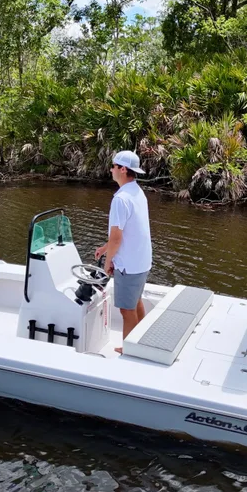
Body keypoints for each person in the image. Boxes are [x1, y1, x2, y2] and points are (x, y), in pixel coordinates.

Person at [95, 150, 152, 354]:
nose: (111, 169)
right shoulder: (137, 191)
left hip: (128, 264)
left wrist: (107, 262)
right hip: (142, 261)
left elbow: (117, 238)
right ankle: (140, 343)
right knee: (136, 302)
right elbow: (129, 231)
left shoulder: (120, 199)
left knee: (126, 310)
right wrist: (105, 247)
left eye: (114, 165)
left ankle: (130, 352)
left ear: (123, 169)